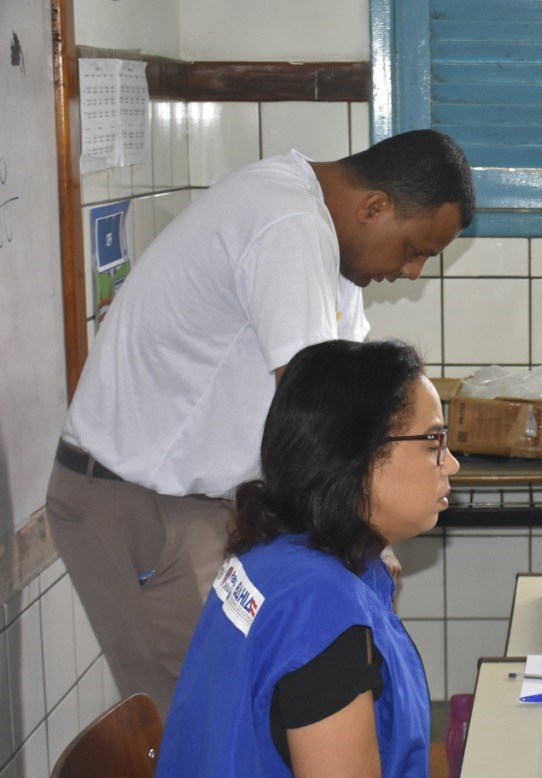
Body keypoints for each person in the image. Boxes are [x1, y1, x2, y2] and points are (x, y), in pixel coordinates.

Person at [46, 129, 474, 716]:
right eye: (414, 248)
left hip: (200, 501)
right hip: (138, 503)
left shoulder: (324, 238)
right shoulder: (288, 225)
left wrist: (366, 527)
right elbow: (315, 417)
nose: (414, 271)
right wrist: (362, 530)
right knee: (202, 726)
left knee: (248, 712)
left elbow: (356, 404)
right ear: (375, 207)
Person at [133, 338, 455, 778]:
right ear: (360, 454)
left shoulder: (275, 561)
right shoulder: (321, 611)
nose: (451, 463)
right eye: (433, 441)